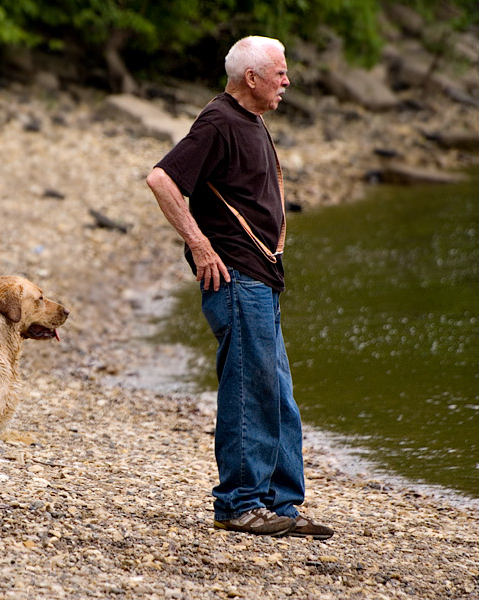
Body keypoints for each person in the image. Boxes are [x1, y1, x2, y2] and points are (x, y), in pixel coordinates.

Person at [146, 36, 333, 539]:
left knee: (279, 393)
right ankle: (238, 504)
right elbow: (162, 179)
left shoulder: (249, 120)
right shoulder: (219, 120)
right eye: (279, 72)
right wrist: (201, 246)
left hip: (261, 278)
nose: (287, 81)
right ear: (251, 77)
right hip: (235, 277)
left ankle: (280, 505)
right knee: (251, 389)